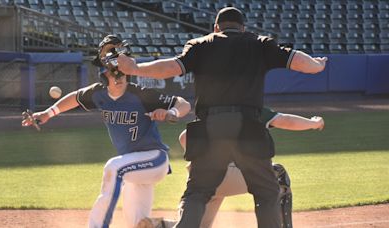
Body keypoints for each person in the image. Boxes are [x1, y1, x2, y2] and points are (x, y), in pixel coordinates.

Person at [116, 7, 327, 228]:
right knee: (267, 192)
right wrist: (317, 65)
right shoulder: (260, 43)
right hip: (249, 129)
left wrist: (136, 68)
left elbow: (170, 67)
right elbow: (298, 61)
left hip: (209, 130)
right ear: (243, 27)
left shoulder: (200, 45)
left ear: (216, 27)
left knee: (197, 192)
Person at [21, 35, 191, 228]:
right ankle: (170, 226)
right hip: (133, 168)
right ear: (104, 75)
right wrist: (47, 113)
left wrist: (171, 112)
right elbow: (75, 98)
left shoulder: (140, 94)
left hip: (154, 159)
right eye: (114, 73)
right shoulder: (99, 94)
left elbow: (183, 104)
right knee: (138, 224)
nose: (119, 77)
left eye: (122, 73)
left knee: (113, 168)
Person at [178, 108, 324, 228]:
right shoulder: (248, 106)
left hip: (201, 180)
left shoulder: (209, 109)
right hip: (230, 176)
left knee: (197, 224)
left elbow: (184, 137)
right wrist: (314, 123)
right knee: (279, 174)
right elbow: (285, 121)